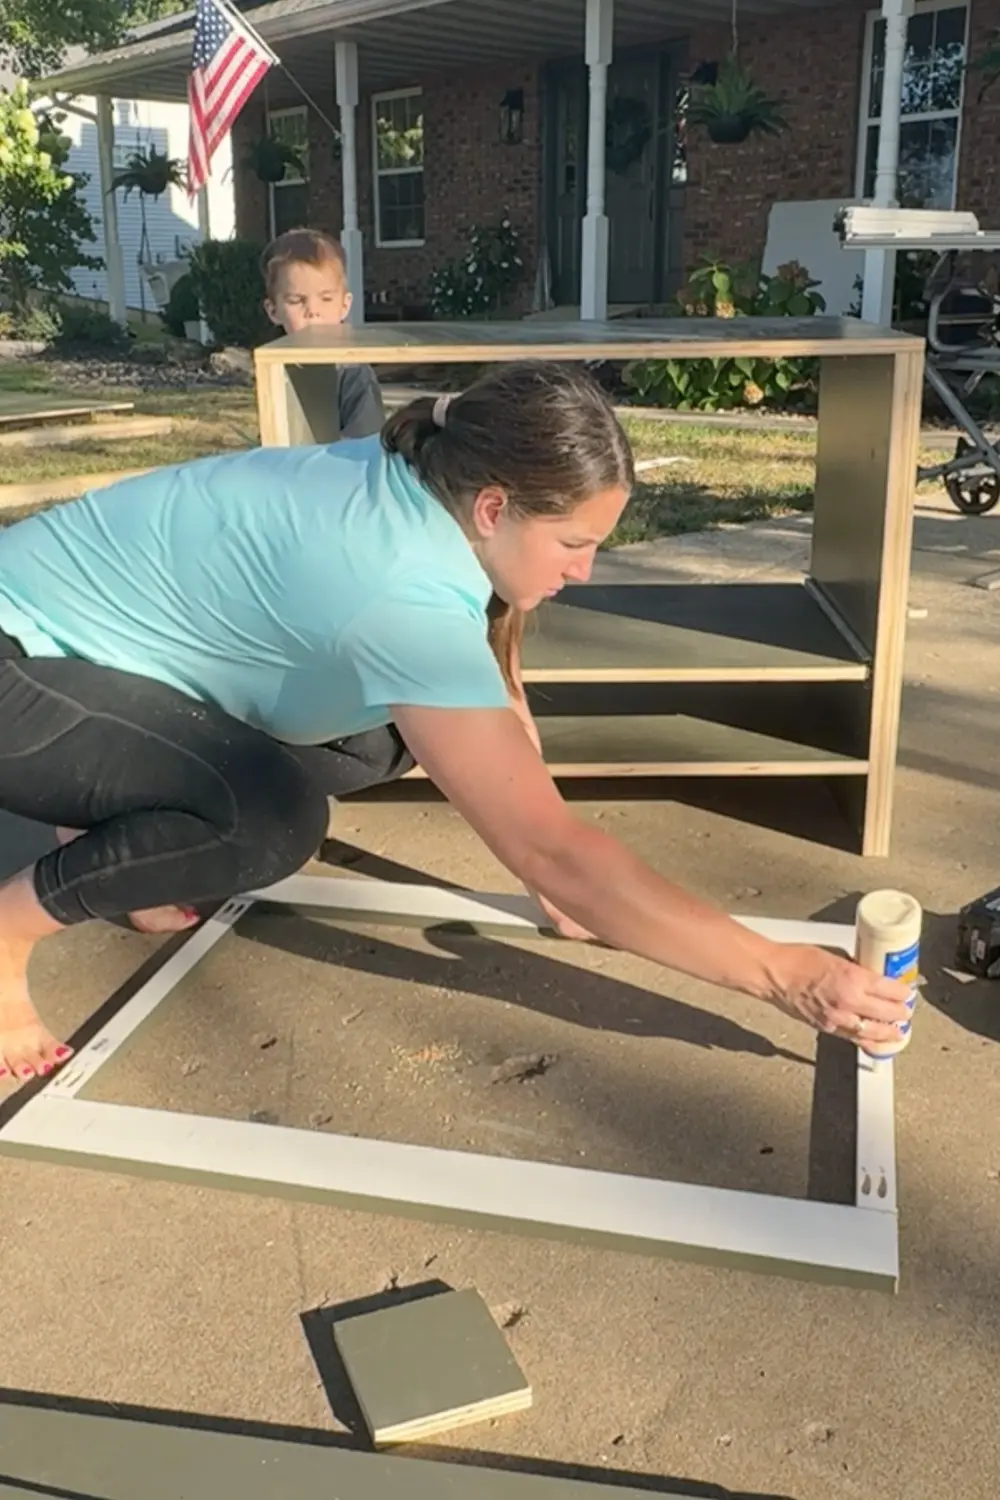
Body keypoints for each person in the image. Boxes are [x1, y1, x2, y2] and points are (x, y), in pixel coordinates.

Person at [0, 362, 910, 1082]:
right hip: (15, 664)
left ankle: (117, 818)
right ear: (493, 509)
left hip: (94, 653)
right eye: (575, 545)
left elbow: (493, 677)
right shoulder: (396, 585)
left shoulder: (428, 466)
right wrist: (785, 974)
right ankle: (7, 933)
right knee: (270, 820)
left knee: (378, 737)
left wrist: (549, 867)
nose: (586, 571)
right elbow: (551, 847)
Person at [262, 226, 384, 439]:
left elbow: (366, 447)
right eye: (296, 301)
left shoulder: (353, 373)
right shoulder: (274, 371)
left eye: (326, 299)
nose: (313, 312)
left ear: (344, 306)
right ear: (273, 310)